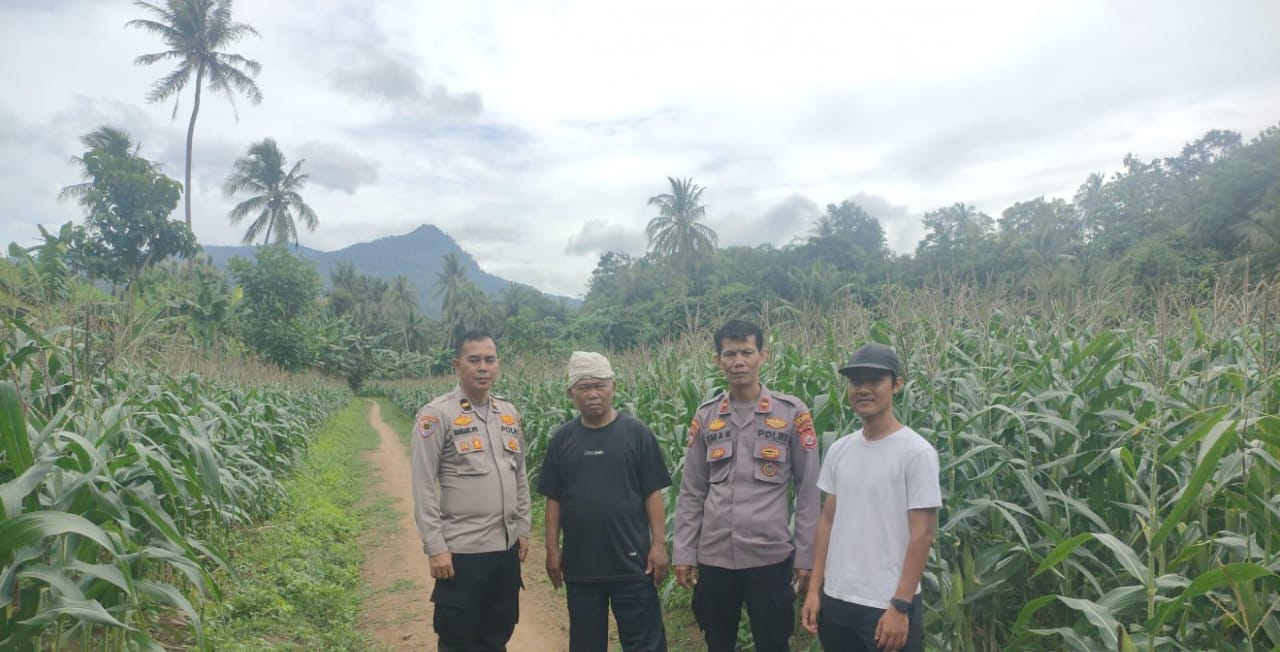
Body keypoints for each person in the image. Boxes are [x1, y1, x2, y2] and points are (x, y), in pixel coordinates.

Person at [673, 319, 821, 652]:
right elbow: (692, 491)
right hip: (715, 558)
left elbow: (808, 490)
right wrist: (684, 551)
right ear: (718, 360)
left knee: (773, 643)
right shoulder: (706, 416)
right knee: (717, 642)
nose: (738, 361)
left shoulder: (791, 413)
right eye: (730, 354)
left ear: (762, 356)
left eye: (746, 352)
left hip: (769, 557)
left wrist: (805, 555)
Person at [801, 343, 941, 652]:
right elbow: (827, 522)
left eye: (875, 380)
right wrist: (814, 590)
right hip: (837, 600)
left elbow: (922, 533)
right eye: (855, 381)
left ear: (896, 385)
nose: (863, 389)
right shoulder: (839, 450)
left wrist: (900, 606)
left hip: (886, 605)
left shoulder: (916, 453)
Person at [539, 351, 672, 652]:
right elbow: (553, 498)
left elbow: (652, 493)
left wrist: (659, 545)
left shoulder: (637, 433)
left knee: (644, 645)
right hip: (581, 566)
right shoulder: (563, 439)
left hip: (634, 565)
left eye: (600, 385)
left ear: (614, 387)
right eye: (584, 387)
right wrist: (552, 549)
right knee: (586, 645)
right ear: (570, 393)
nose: (593, 394)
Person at [410, 329, 531, 652]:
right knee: (458, 638)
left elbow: (519, 473)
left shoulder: (508, 413)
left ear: (498, 364)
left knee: (497, 633)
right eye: (474, 360)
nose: (483, 367)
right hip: (462, 551)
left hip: (505, 549)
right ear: (457, 365)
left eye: (489, 360)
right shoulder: (437, 414)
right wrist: (435, 547)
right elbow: (423, 485)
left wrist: (522, 528)